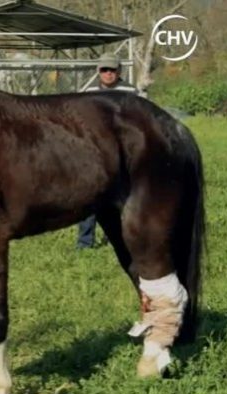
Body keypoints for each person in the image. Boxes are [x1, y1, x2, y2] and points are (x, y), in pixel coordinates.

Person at [77, 53, 140, 249]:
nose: (108, 74)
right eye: (104, 70)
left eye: (112, 70)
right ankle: (84, 243)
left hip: (121, 151)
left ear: (119, 71)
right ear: (98, 72)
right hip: (92, 152)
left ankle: (121, 239)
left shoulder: (130, 91)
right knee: (88, 198)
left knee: (121, 198)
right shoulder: (87, 91)